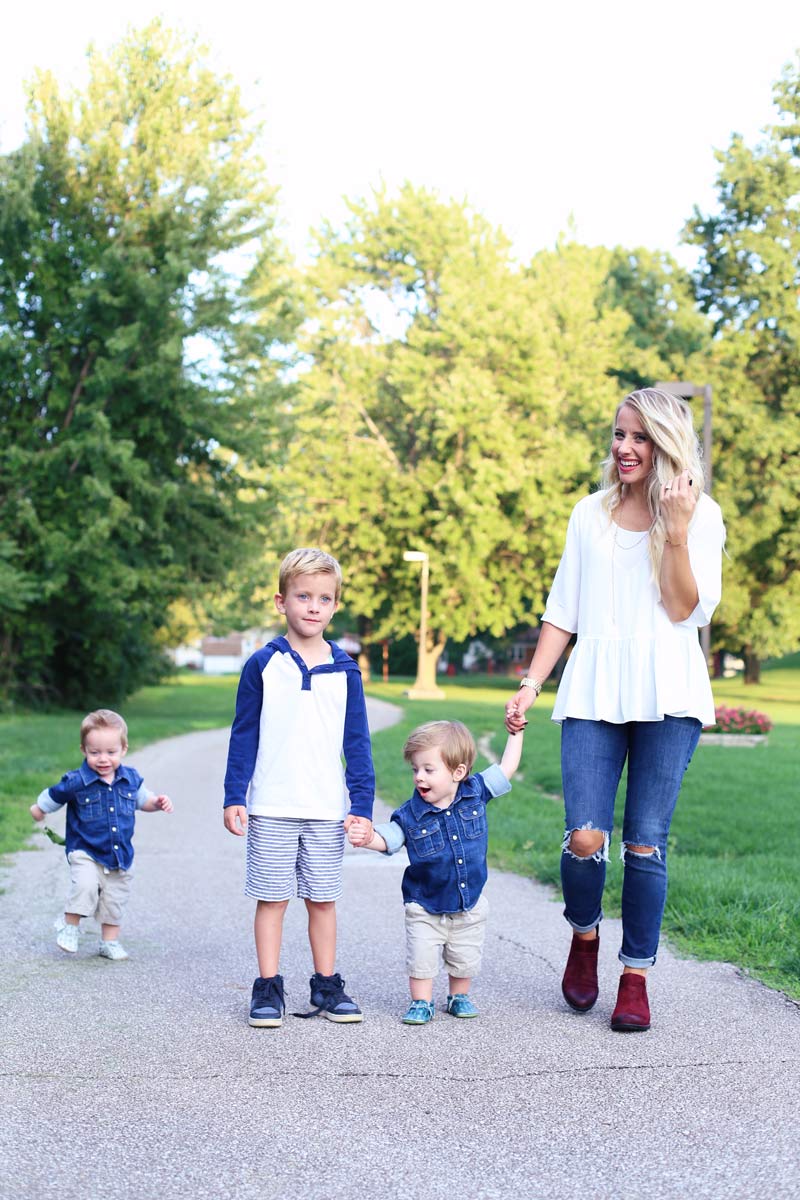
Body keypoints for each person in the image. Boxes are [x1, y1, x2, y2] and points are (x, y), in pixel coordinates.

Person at [505, 388, 724, 1032]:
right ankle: (583, 936)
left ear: (666, 444)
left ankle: (635, 977)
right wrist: (532, 682)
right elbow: (562, 611)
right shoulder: (589, 514)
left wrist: (676, 533)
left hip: (669, 691)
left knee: (646, 843)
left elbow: (684, 609)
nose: (625, 449)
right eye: (618, 436)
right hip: (595, 686)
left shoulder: (701, 515)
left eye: (639, 438)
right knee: (584, 837)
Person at [223, 548, 375, 1028]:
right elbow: (243, 733)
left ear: (335, 606)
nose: (313, 606)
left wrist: (362, 804)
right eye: (303, 596)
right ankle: (268, 988)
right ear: (281, 601)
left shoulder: (346, 670)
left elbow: (358, 743)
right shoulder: (263, 664)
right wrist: (234, 794)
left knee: (323, 899)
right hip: (271, 804)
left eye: (324, 598)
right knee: (272, 899)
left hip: (327, 808)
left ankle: (326, 984)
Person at [348, 719, 524, 1024]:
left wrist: (515, 734)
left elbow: (507, 768)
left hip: (468, 903)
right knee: (422, 958)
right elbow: (390, 838)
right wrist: (367, 838)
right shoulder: (410, 813)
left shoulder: (476, 792)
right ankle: (421, 1001)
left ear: (458, 772)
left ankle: (459, 995)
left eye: (429, 770)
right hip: (424, 905)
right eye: (416, 769)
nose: (419, 777)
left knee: (464, 957)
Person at [30, 709, 173, 960]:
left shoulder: (130, 779)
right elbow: (55, 794)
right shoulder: (76, 781)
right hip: (84, 849)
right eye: (95, 752)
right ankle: (70, 926)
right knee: (85, 886)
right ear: (84, 750)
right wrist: (39, 808)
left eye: (110, 752)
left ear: (124, 749)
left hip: (119, 855)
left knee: (114, 900)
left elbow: (143, 800)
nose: (103, 759)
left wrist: (157, 803)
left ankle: (109, 942)